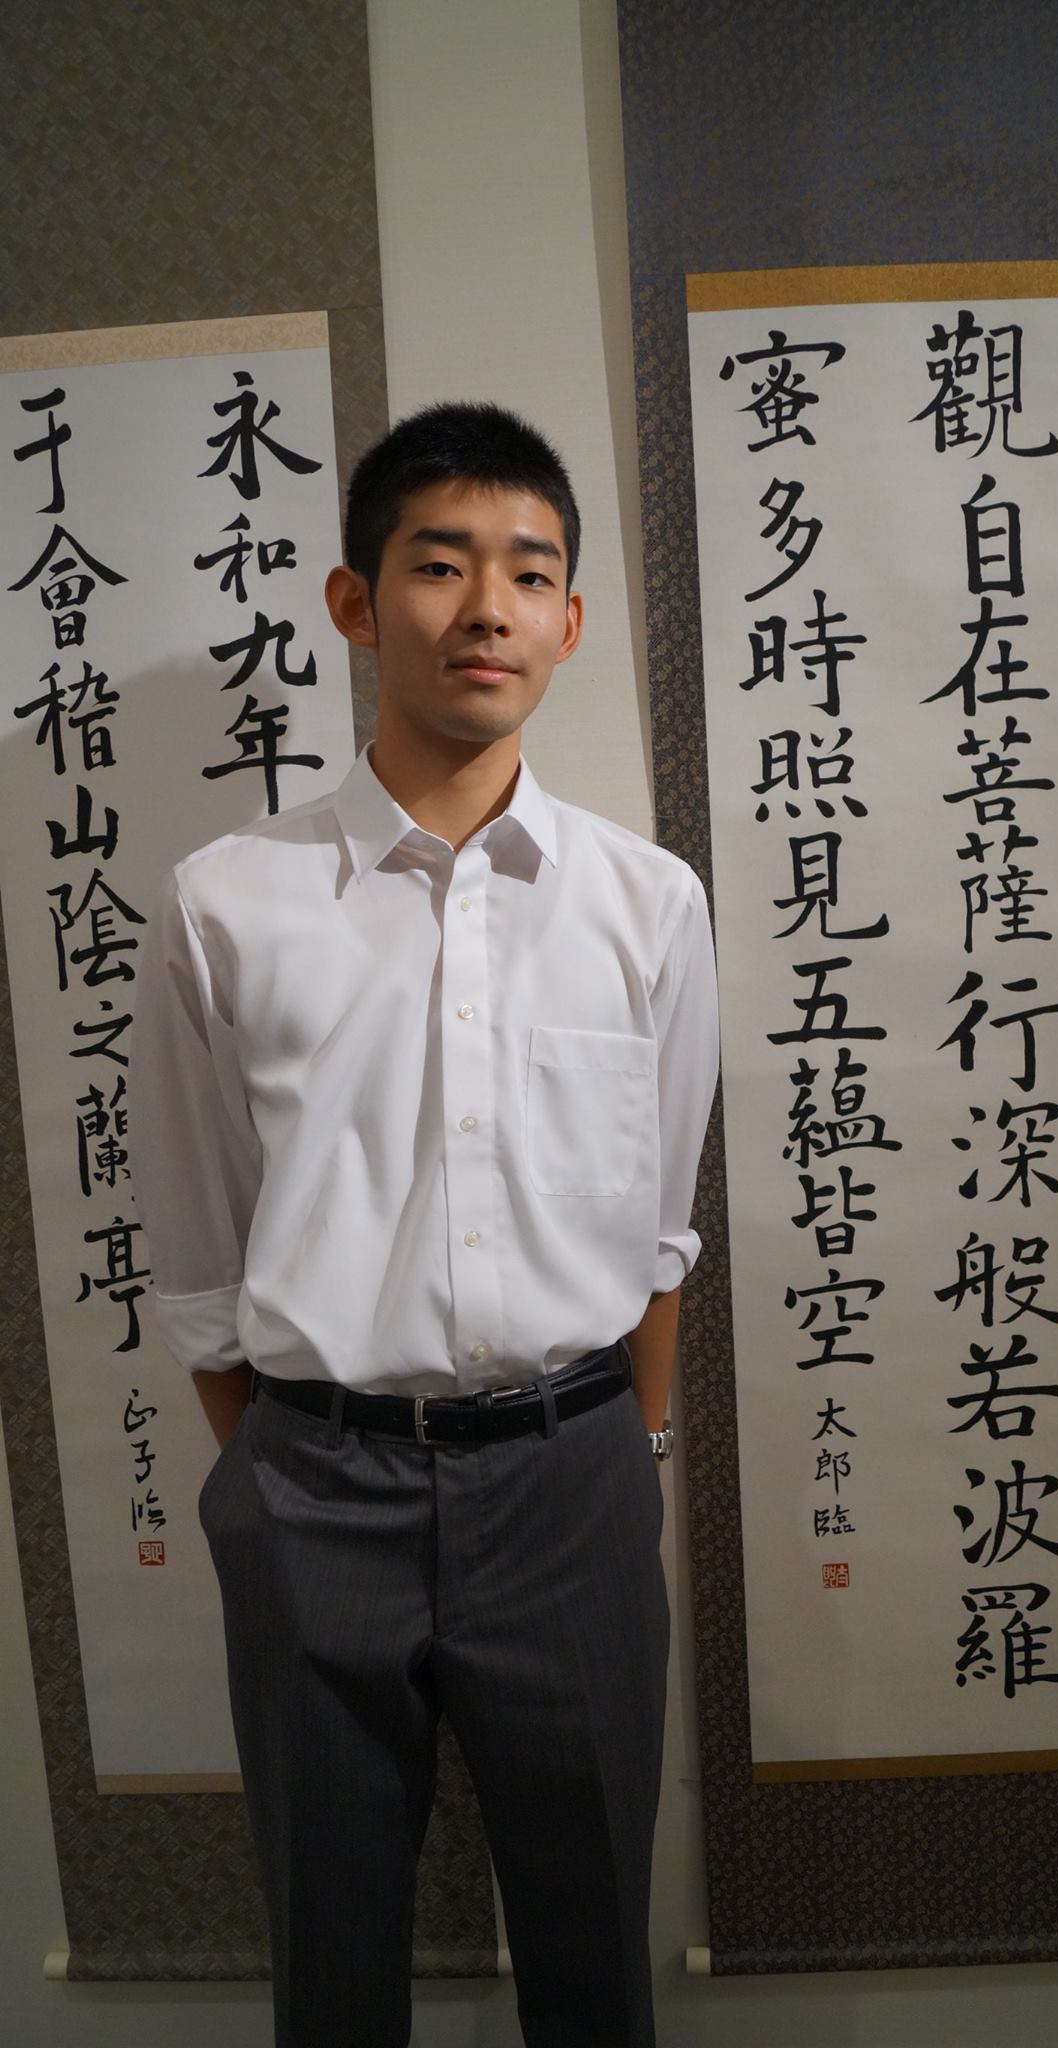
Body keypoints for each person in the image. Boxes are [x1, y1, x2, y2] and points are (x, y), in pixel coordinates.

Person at [129, 401, 721, 2048]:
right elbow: (199, 1255)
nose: (486, 609)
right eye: (441, 563)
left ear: (571, 622)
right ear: (354, 600)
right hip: (316, 1488)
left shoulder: (647, 901)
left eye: (528, 573)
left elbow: (659, 1234)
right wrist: (290, 1461)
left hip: (573, 1482)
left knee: (595, 1965)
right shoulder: (227, 902)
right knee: (332, 1970)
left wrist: (617, 1449)